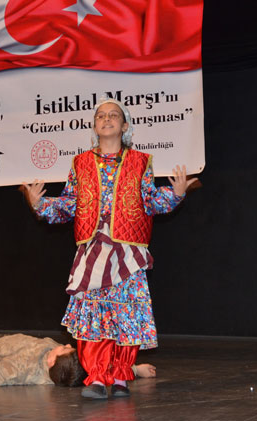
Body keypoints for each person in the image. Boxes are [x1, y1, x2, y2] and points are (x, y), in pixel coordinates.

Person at [21, 97, 196, 400]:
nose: (106, 119)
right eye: (101, 115)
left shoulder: (140, 161)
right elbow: (70, 204)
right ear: (95, 125)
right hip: (93, 250)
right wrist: (39, 203)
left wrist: (176, 193)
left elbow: (151, 202)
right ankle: (98, 377)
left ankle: (120, 376)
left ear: (124, 125)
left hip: (127, 250)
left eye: (113, 115)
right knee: (94, 316)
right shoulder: (81, 162)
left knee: (126, 315)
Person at [0, 335, 156, 393]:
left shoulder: (21, 369)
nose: (67, 345)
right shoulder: (63, 364)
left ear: (51, 360)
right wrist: (134, 370)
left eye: (64, 349)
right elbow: (96, 368)